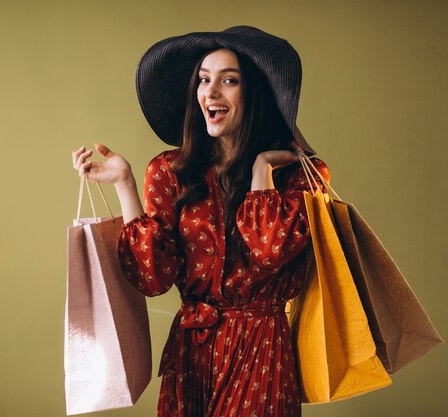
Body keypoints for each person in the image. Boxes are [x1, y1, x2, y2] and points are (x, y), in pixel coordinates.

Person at [70, 26, 330, 417]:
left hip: (262, 351)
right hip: (191, 355)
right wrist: (125, 183)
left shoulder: (302, 177)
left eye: (229, 80)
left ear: (255, 94)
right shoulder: (170, 171)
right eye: (204, 80)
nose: (211, 92)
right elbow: (152, 279)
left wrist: (262, 172)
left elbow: (269, 247)